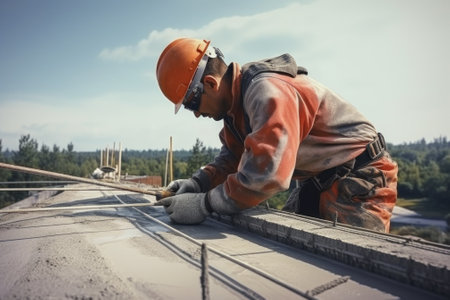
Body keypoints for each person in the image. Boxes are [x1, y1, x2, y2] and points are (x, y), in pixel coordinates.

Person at [156, 38, 398, 233]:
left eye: (192, 103)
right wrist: (198, 183)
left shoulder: (266, 92)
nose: (197, 114)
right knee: (290, 243)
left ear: (210, 83)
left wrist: (203, 204)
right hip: (319, 179)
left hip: (362, 177)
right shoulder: (234, 108)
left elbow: (266, 176)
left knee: (353, 260)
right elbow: (232, 158)